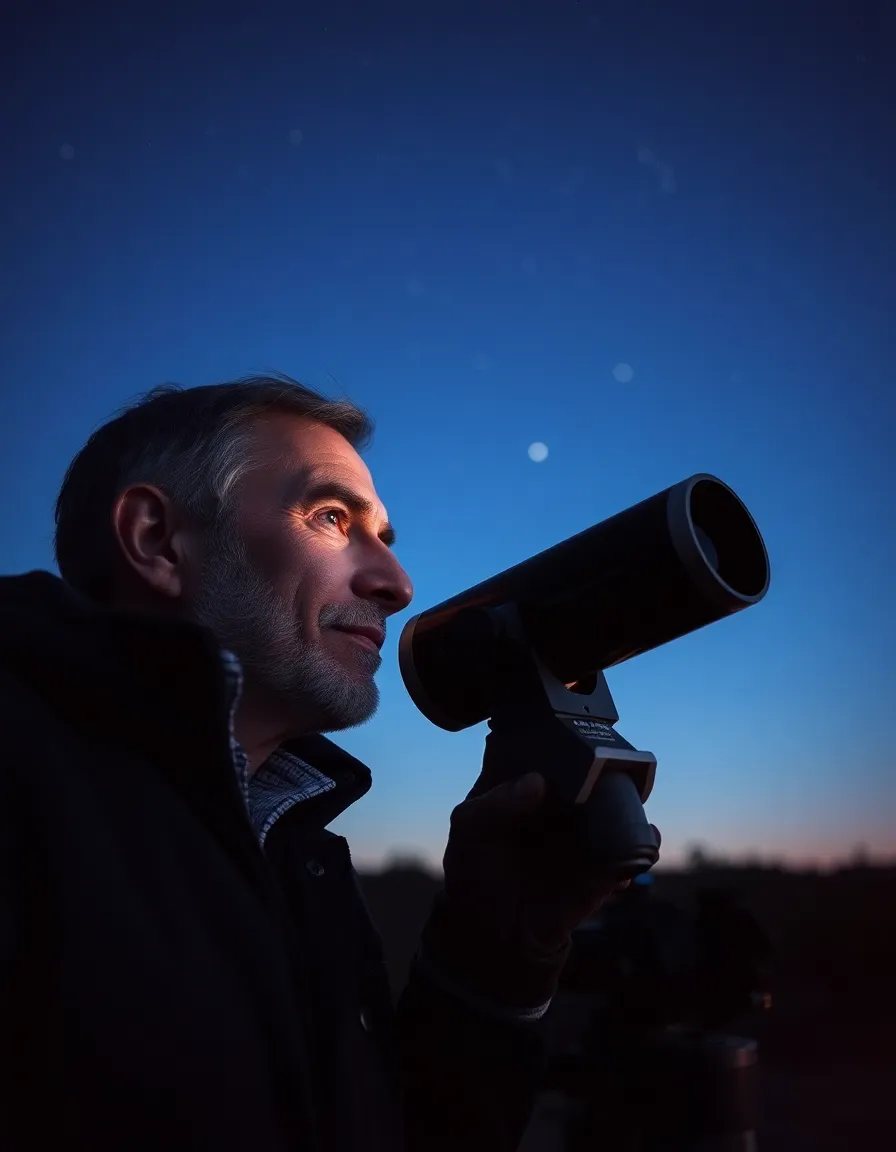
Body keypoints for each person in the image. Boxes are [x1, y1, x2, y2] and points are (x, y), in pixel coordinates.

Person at [0, 373, 658, 1152]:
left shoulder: (297, 853)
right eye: (331, 516)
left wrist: (492, 955)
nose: (396, 585)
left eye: (384, 538)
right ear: (156, 540)